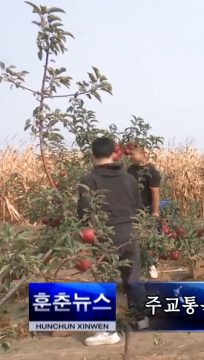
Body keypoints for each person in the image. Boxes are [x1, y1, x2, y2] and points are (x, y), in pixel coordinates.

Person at [77, 137, 149, 346]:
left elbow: (83, 212)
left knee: (104, 281)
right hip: (129, 233)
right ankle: (141, 319)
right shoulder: (128, 178)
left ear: (92, 155)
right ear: (113, 154)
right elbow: (138, 208)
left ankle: (106, 331)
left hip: (105, 236)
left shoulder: (88, 180)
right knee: (133, 278)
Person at [127, 145, 162, 279]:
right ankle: (137, 267)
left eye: (133, 154)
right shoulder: (130, 170)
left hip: (145, 210)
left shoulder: (151, 172)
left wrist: (155, 211)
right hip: (131, 210)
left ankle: (151, 264)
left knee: (147, 239)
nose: (130, 157)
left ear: (142, 154)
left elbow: (155, 193)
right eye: (129, 155)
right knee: (133, 240)